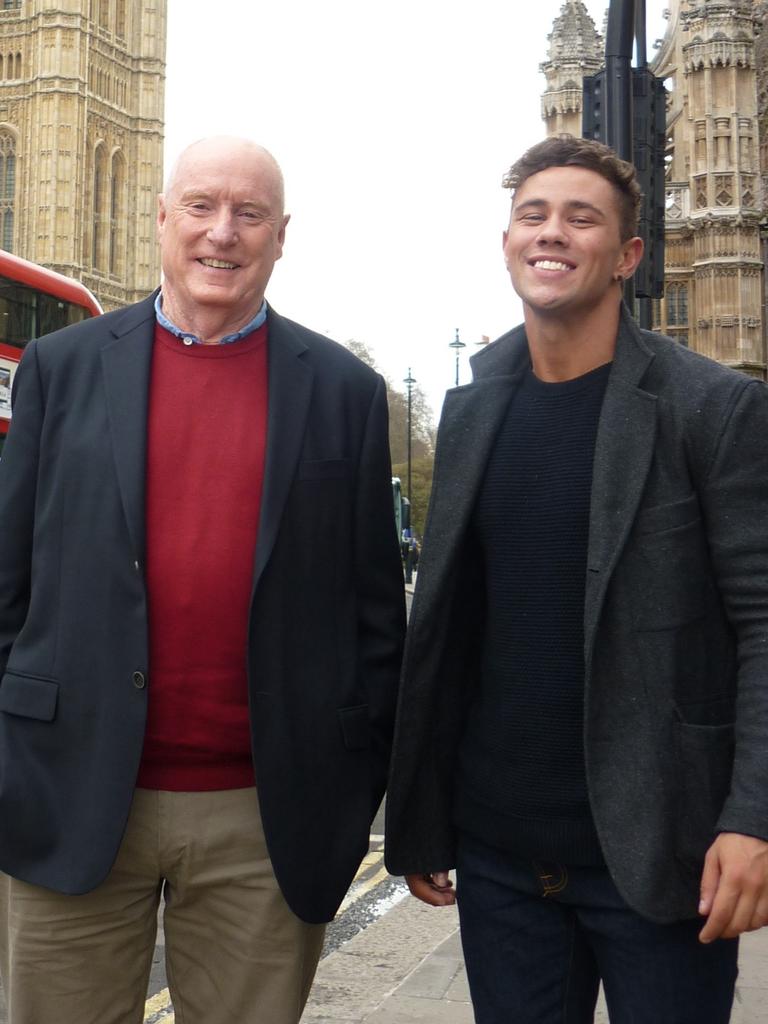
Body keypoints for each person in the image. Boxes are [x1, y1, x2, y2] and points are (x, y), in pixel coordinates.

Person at [0, 136, 405, 1024]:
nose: (222, 234)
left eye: (249, 214)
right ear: (162, 219)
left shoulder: (344, 390)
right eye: (201, 208)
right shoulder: (61, 370)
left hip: (264, 817)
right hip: (69, 794)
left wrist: (352, 793)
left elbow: (376, 621)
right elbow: (9, 582)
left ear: (281, 235)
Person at [385, 134, 768, 1023]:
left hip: (660, 857)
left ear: (628, 256)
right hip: (502, 862)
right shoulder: (474, 408)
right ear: (509, 241)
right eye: (533, 214)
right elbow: (452, 630)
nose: (551, 233)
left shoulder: (713, 409)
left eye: (580, 218)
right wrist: (424, 814)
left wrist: (752, 820)